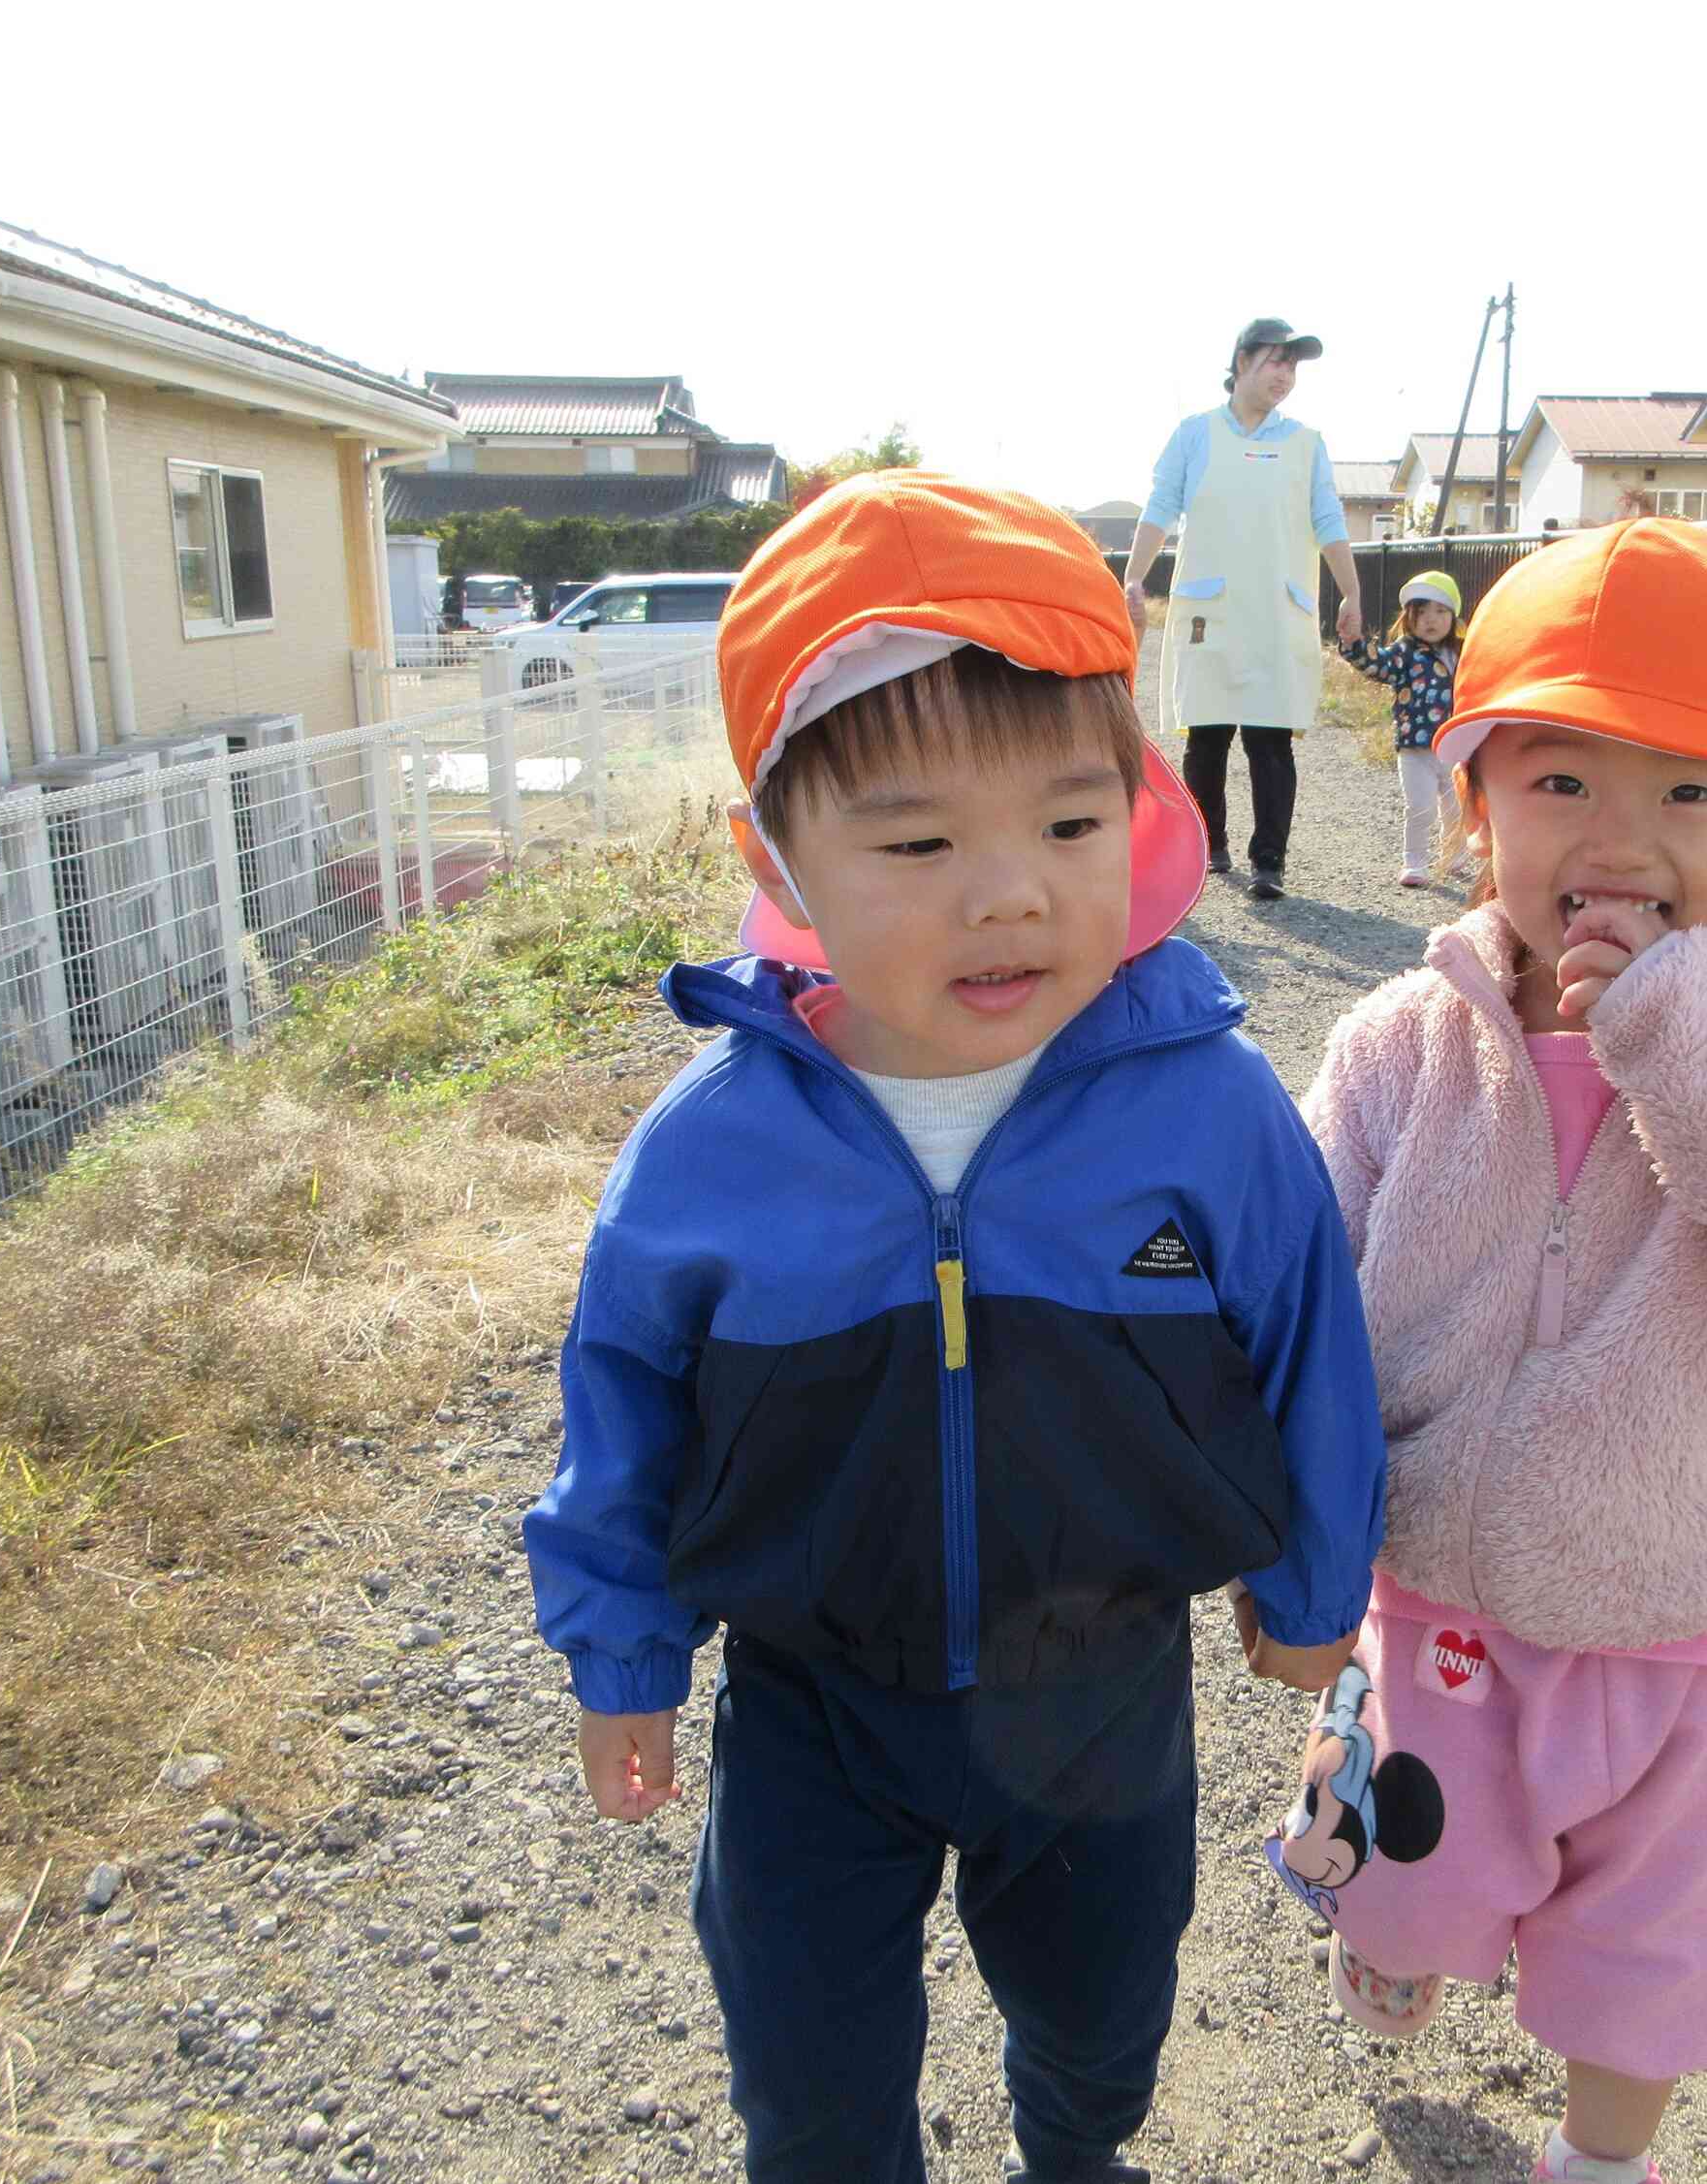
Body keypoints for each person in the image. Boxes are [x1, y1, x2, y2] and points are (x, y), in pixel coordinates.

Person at [523, 472, 1386, 2184]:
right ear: (776, 859)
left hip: (1102, 1685)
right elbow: (619, 1407)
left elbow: (1311, 1345)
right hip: (810, 1699)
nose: (1008, 896)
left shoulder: (1202, 1105)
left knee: (1098, 2011)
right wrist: (623, 1653)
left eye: (1067, 826)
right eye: (917, 845)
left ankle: (1073, 2149)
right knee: (805, 2068)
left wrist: (1310, 1592)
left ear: (1133, 809)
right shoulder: (712, 1149)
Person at [1280, 521, 1707, 2184]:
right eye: (1561, 780)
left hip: (1688, 1618)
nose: (1619, 838)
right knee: (1403, 1870)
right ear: (1475, 805)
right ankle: (1399, 1932)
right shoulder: (1404, 1042)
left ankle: (1599, 2158)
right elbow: (1295, 1290)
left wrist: (1679, 1025)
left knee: (1650, 1951)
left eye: (1689, 792)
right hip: (1439, 1595)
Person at [1124, 316, 1367, 902]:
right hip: (1210, 608)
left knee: (1270, 737)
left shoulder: (1305, 442)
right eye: (1275, 361)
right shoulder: (1196, 434)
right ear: (1241, 363)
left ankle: (1269, 861)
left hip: (1278, 609)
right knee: (1207, 734)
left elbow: (1328, 519)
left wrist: (1352, 592)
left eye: (1292, 365)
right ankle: (1211, 844)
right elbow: (1161, 507)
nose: (1285, 375)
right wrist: (1132, 577)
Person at [1342, 570, 1466, 889]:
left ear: (1453, 616)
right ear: (1408, 617)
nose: (1430, 619)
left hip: (1454, 746)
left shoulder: (1463, 653)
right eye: (1421, 612)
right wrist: (1354, 644)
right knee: (1420, 807)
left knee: (1457, 808)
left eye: (1440, 611)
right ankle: (1415, 862)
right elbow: (1376, 664)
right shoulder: (1404, 652)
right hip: (1415, 749)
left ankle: (1454, 856)